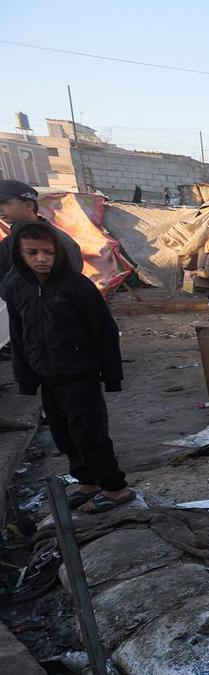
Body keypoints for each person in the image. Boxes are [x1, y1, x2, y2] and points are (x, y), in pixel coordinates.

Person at [1, 220, 133, 513]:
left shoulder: (75, 286)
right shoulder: (15, 286)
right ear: (18, 254)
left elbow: (105, 331)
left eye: (47, 252)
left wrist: (112, 376)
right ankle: (87, 482)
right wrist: (25, 380)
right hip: (47, 376)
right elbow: (19, 333)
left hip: (80, 375)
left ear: (58, 252)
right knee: (63, 434)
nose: (41, 259)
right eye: (32, 252)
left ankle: (115, 488)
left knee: (89, 433)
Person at [0, 179, 83, 279]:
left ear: (28, 205)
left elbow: (68, 284)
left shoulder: (60, 241)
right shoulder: (8, 243)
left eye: (4, 203)